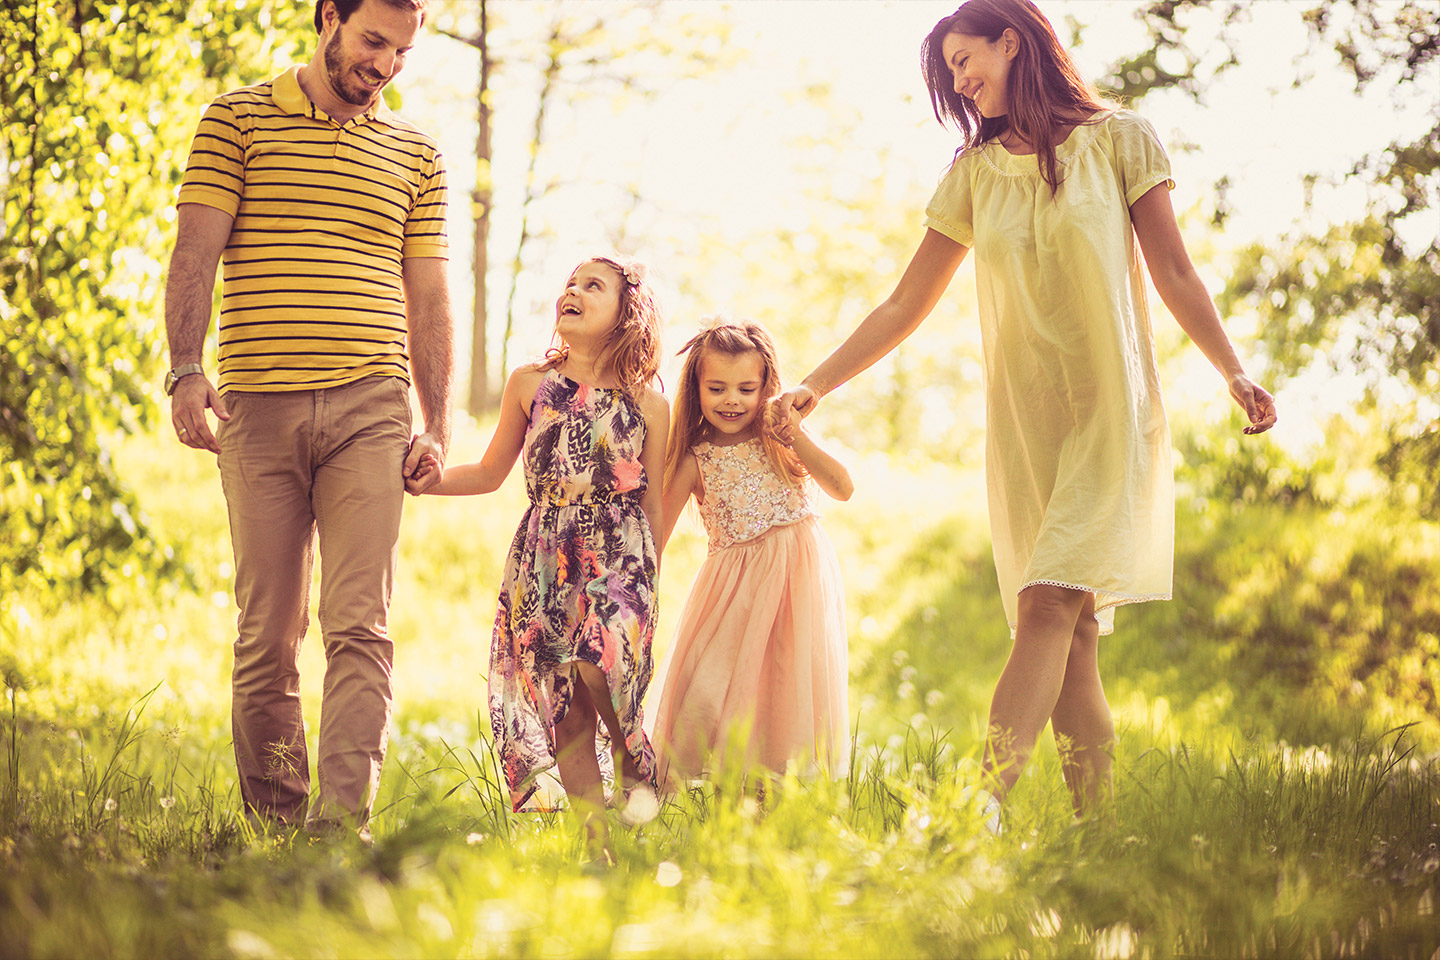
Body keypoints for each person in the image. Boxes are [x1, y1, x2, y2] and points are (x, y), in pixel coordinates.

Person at [770, 0, 1276, 825]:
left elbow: (1175, 272)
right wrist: (816, 384)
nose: (960, 83)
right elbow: (904, 303)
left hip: (1109, 411)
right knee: (1071, 634)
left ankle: (975, 812)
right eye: (951, 73)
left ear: (1011, 42)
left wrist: (1233, 369)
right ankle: (1095, 832)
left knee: (1046, 603)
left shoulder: (1121, 140)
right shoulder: (974, 174)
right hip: (1027, 420)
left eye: (965, 61)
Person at [163, 0, 452, 837]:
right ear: (328, 16)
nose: (385, 66)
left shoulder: (417, 154)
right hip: (258, 406)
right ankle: (276, 827)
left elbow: (430, 299)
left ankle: (338, 834)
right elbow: (195, 255)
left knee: (359, 624)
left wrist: (436, 424)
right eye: (372, 41)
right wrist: (186, 369)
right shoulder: (235, 121)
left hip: (373, 408)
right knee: (268, 633)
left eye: (401, 52)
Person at [413, 257, 667, 856]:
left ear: (626, 311)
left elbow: (654, 504)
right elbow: (488, 472)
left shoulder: (648, 404)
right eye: (569, 283)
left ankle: (631, 757)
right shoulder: (530, 384)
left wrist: (646, 586)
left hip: (620, 556)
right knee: (565, 707)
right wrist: (423, 480)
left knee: (598, 664)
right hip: (544, 560)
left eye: (592, 285)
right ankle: (596, 849)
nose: (572, 291)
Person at [649, 319, 852, 787]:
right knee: (708, 690)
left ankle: (766, 798)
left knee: (782, 690)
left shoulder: (781, 442)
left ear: (766, 387)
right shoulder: (696, 458)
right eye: (717, 388)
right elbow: (655, 535)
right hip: (733, 598)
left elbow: (843, 488)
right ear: (696, 389)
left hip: (797, 594)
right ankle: (690, 787)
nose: (732, 400)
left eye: (746, 388)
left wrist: (794, 432)